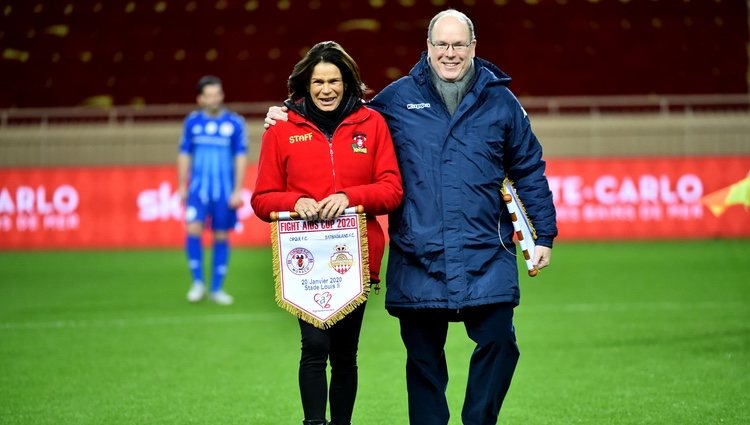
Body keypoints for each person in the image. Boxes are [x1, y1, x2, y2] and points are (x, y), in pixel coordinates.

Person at [266, 9, 557, 424]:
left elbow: (528, 168)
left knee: (499, 343)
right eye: (442, 44)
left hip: (485, 251)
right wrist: (286, 113)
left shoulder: (501, 100)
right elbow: (342, 115)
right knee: (423, 362)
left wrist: (543, 234)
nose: (450, 53)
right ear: (428, 47)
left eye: (459, 44)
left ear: (474, 47)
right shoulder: (395, 100)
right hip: (419, 255)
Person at [251, 41, 403, 425]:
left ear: (347, 82)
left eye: (334, 80)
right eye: (318, 81)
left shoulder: (372, 123)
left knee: (346, 352)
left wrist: (349, 198)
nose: (326, 89)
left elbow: (392, 189)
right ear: (306, 84)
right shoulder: (282, 129)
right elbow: (261, 199)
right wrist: (294, 202)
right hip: (304, 259)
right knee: (314, 345)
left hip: (357, 254)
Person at [178, 75, 248, 306]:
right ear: (200, 99)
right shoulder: (192, 122)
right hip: (197, 190)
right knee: (193, 229)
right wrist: (181, 185)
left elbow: (240, 156)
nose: (214, 99)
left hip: (224, 192)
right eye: (209, 95)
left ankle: (217, 288)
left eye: (217, 94)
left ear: (222, 95)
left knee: (220, 235)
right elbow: (184, 154)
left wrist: (238, 190)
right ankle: (197, 283)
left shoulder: (235, 123)